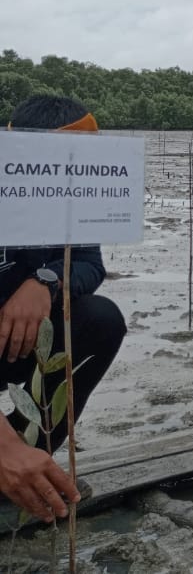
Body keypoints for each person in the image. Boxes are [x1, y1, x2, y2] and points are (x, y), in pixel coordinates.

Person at [1, 95, 127, 523]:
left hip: (19, 341)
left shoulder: (70, 196)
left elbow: (90, 264)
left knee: (100, 319)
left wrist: (45, 283)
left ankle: (30, 455)